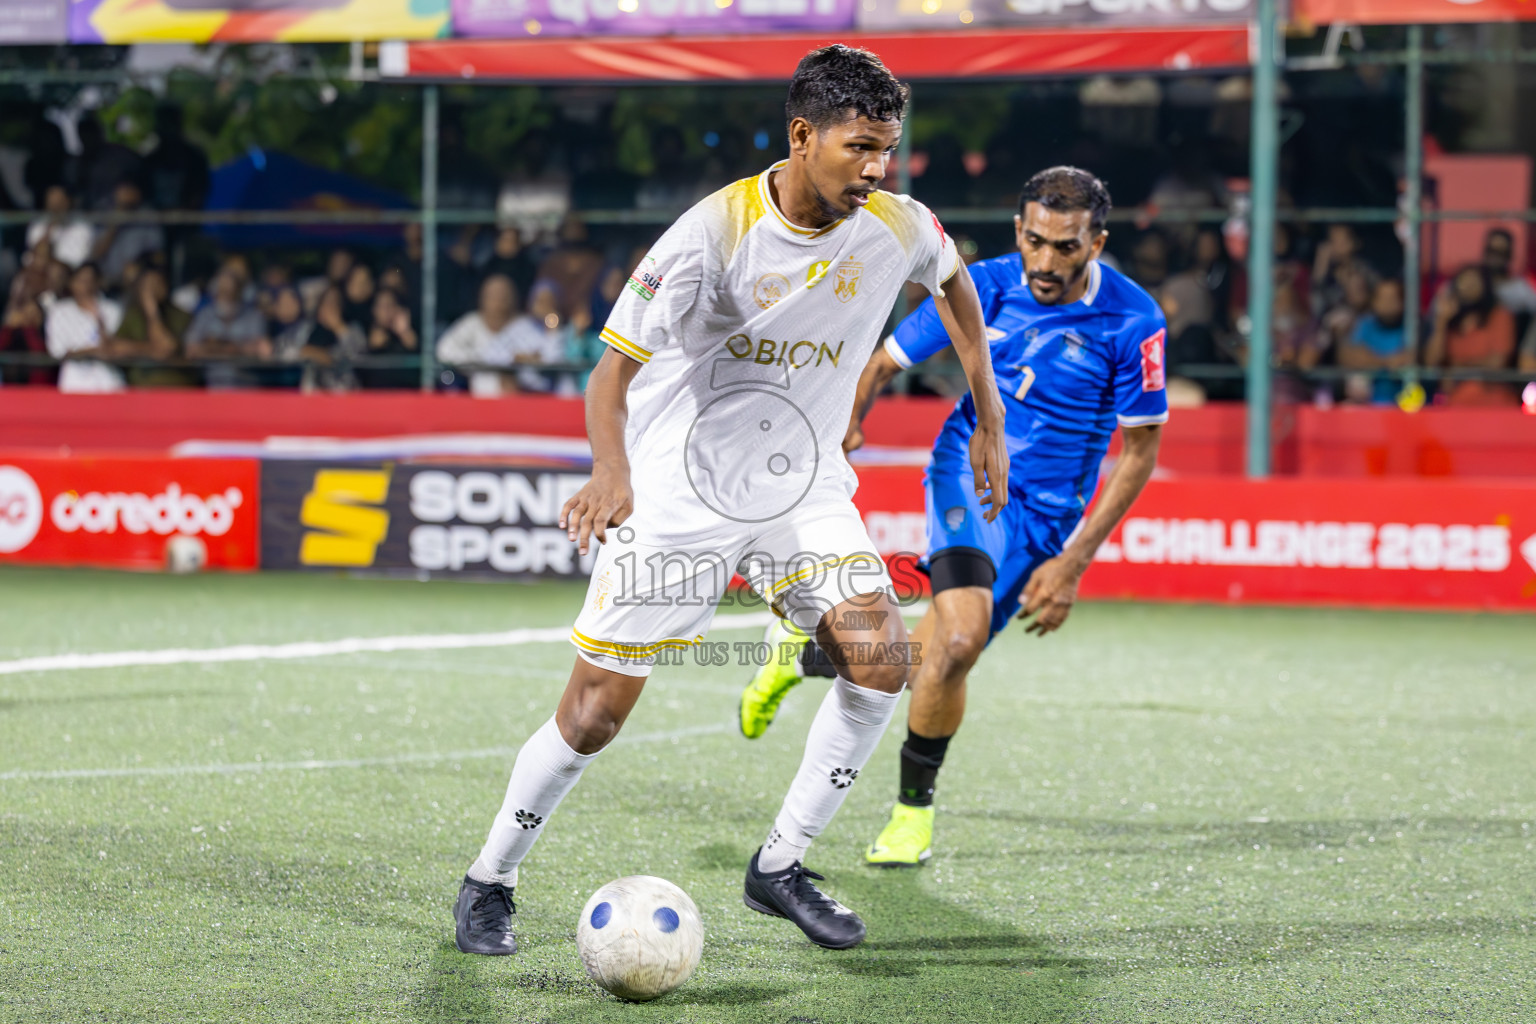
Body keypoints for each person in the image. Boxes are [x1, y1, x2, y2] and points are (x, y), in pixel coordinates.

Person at [453, 44, 1008, 957]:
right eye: (860, 147)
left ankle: (780, 866)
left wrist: (986, 411)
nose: (877, 168)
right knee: (595, 711)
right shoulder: (710, 234)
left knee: (880, 657)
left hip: (802, 486)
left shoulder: (896, 223)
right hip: (682, 492)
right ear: (802, 136)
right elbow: (610, 373)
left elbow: (954, 280)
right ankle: (491, 878)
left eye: (888, 148)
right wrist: (610, 470)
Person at [740, 167, 1167, 869]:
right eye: (1035, 241)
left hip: (1048, 519)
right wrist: (846, 426)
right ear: (1019, 232)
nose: (1046, 262)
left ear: (1097, 241)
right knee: (961, 641)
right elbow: (882, 362)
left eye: (1066, 247)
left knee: (927, 661)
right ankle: (913, 814)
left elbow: (1140, 451)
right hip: (969, 479)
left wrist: (1072, 563)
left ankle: (802, 655)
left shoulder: (1134, 320)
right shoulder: (984, 285)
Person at [1425, 265, 1518, 407]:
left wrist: (1457, 369)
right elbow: (1431, 362)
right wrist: (1441, 323)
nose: (1468, 286)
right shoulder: (1450, 321)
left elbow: (1497, 363)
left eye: (1474, 282)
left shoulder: (1499, 315)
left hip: (1493, 401)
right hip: (1454, 402)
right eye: (1464, 281)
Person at [44, 262, 125, 393]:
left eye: (90, 281)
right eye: (81, 280)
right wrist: (93, 352)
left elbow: (112, 350)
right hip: (74, 385)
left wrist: (98, 320)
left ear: (98, 283)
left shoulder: (112, 310)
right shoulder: (59, 311)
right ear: (72, 283)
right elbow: (57, 352)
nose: (86, 286)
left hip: (108, 384)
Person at [184, 268, 269, 386]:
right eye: (223, 290)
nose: (227, 295)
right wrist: (234, 348)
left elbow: (261, 350)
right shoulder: (204, 315)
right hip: (211, 385)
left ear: (239, 291)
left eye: (231, 290)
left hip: (246, 385)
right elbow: (191, 350)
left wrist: (212, 345)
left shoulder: (254, 316)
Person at [113, 266, 193, 388]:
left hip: (174, 385)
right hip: (140, 386)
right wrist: (150, 349)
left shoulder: (181, 316)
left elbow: (166, 348)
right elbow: (115, 348)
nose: (151, 290)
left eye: (155, 284)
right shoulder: (133, 315)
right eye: (147, 286)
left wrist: (151, 309)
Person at [1339, 278, 1412, 405]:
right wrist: (1387, 362)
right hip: (1370, 404)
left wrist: (1371, 359)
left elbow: (1410, 358)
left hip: (1405, 403)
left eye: (1393, 298)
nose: (1388, 303)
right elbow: (1350, 357)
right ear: (1374, 301)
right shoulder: (1365, 324)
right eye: (1383, 298)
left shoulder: (1411, 326)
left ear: (1402, 302)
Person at [90, 180, 164, 292]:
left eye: (129, 189)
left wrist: (139, 265)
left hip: (136, 281)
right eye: (123, 189)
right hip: (104, 281)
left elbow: (157, 256)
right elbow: (96, 254)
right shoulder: (104, 212)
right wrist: (116, 222)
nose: (125, 194)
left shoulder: (148, 217)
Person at [357, 287, 418, 389]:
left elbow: (419, 374)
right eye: (381, 306)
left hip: (405, 397)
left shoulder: (405, 335)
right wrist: (371, 348)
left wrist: (405, 333)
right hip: (373, 399)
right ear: (373, 310)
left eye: (390, 305)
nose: (386, 310)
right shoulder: (362, 333)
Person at [25, 185, 94, 269]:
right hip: (42, 274)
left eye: (59, 203)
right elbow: (34, 256)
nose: (55, 208)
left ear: (68, 202)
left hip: (70, 274)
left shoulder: (82, 227)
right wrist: (50, 228)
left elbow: (78, 262)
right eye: (52, 205)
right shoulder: (38, 226)